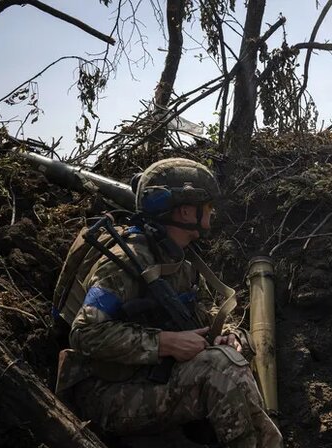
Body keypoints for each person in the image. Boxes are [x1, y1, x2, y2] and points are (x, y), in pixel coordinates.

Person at [55, 158, 283, 447]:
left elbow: (199, 316)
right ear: (186, 210)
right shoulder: (127, 259)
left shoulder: (179, 260)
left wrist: (228, 337)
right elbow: (84, 332)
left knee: (234, 350)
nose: (212, 213)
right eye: (208, 206)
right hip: (107, 395)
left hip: (149, 378)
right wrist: (165, 342)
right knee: (219, 369)